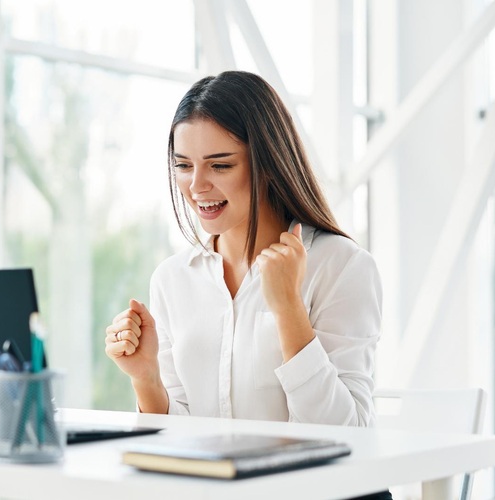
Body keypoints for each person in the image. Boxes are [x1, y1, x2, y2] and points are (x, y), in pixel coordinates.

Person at [104, 71, 389, 499]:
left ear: (268, 164)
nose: (197, 186)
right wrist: (146, 378)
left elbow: (346, 440)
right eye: (183, 166)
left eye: (220, 165)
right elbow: (180, 442)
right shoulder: (172, 279)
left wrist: (288, 307)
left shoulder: (342, 267)